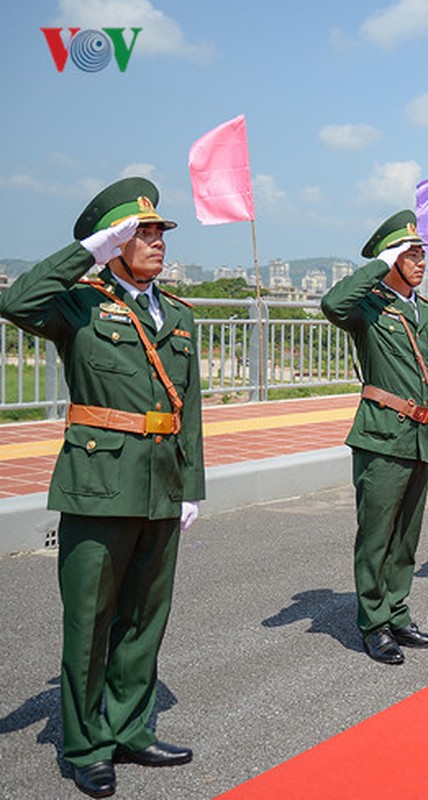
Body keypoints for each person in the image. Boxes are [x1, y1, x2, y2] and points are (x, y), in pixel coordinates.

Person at [0, 178, 205, 798]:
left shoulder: (179, 314)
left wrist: (192, 484)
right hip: (98, 482)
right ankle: (86, 744)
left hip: (161, 485)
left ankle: (131, 729)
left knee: (145, 616)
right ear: (113, 243)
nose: (156, 243)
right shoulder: (78, 303)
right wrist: (90, 249)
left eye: (158, 233)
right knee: (90, 619)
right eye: (140, 233)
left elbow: (188, 409)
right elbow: (18, 301)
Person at [321, 210, 428, 666]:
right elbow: (332, 305)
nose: (419, 262)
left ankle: (398, 612)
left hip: (417, 437)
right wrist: (379, 264)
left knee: (406, 536)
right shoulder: (368, 307)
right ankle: (374, 624)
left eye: (420, 253)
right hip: (381, 436)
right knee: (376, 536)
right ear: (391, 257)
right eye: (409, 254)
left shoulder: (427, 312)